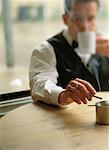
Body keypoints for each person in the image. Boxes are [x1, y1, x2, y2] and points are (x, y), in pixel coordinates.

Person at [29, 0, 109, 106]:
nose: (85, 26)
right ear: (65, 19)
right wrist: (62, 95)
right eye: (77, 19)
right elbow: (39, 85)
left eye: (90, 18)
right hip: (63, 119)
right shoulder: (46, 50)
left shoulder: (106, 44)